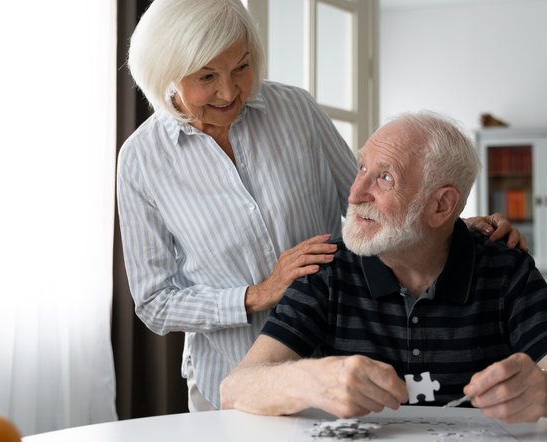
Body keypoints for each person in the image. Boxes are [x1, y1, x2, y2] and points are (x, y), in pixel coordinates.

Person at [117, 0, 525, 411]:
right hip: (227, 377)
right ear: (165, 75)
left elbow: (370, 203)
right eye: (207, 76)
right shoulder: (140, 160)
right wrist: (256, 295)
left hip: (334, 369)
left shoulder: (295, 110)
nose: (229, 91)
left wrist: (446, 227)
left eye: (241, 66)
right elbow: (155, 303)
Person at [220, 110, 547, 423]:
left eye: (385, 178)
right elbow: (235, 389)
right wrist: (310, 380)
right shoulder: (326, 266)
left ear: (441, 206)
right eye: (362, 168)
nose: (355, 193)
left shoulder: (506, 267)